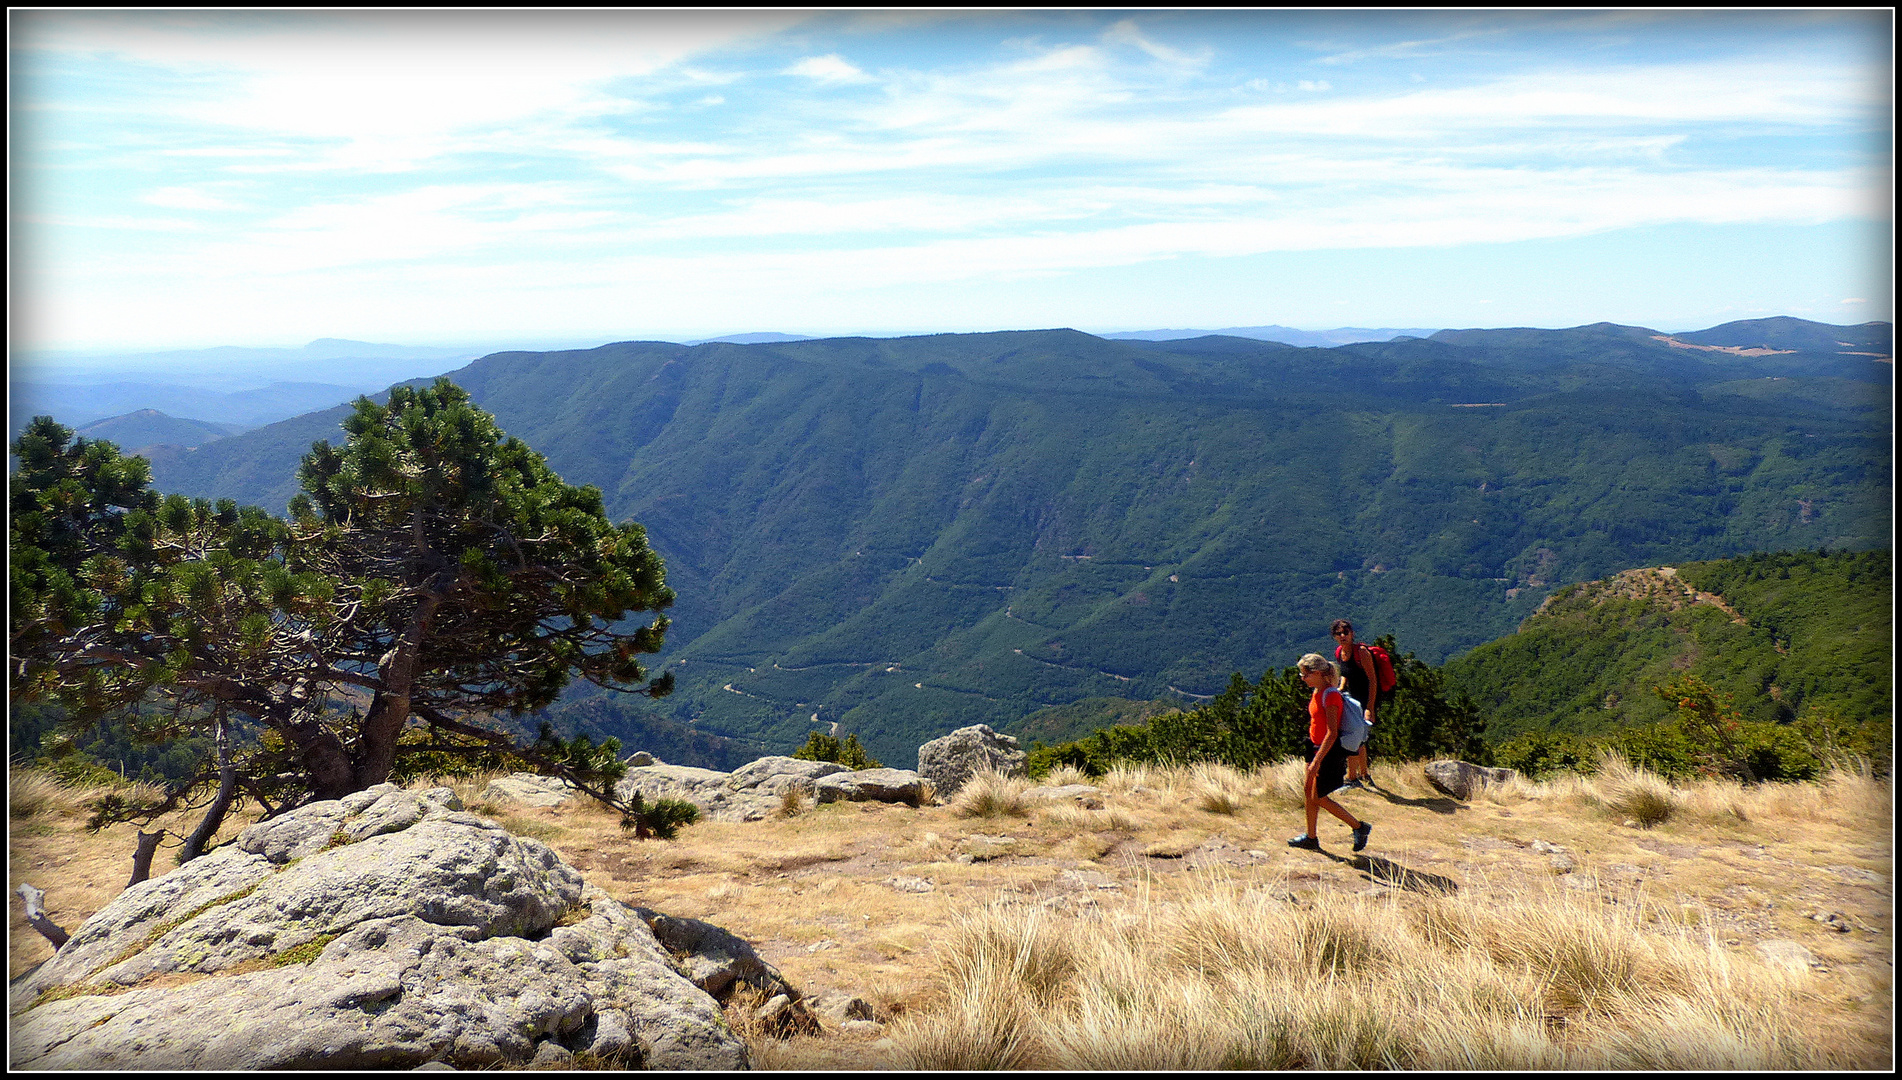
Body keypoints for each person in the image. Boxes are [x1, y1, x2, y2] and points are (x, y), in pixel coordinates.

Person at [1288, 653, 1372, 853]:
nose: (1302, 678)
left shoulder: (1331, 695)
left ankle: (1359, 827)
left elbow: (1332, 733)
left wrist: (1318, 760)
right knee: (1309, 792)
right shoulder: (1318, 691)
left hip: (1326, 751)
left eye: (1304, 674)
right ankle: (1311, 837)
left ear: (1317, 673)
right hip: (1314, 746)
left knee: (1319, 796)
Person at [1331, 619, 1380, 789]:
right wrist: (1341, 688)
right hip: (1351, 701)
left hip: (1365, 700)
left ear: (1352, 634)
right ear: (1334, 636)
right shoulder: (1340, 652)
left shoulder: (1362, 652)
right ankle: (1364, 774)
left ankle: (1352, 778)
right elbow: (1345, 673)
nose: (1343, 636)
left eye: (1346, 632)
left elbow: (1373, 680)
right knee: (1359, 739)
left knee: (1353, 737)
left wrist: (1370, 707)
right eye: (1339, 633)